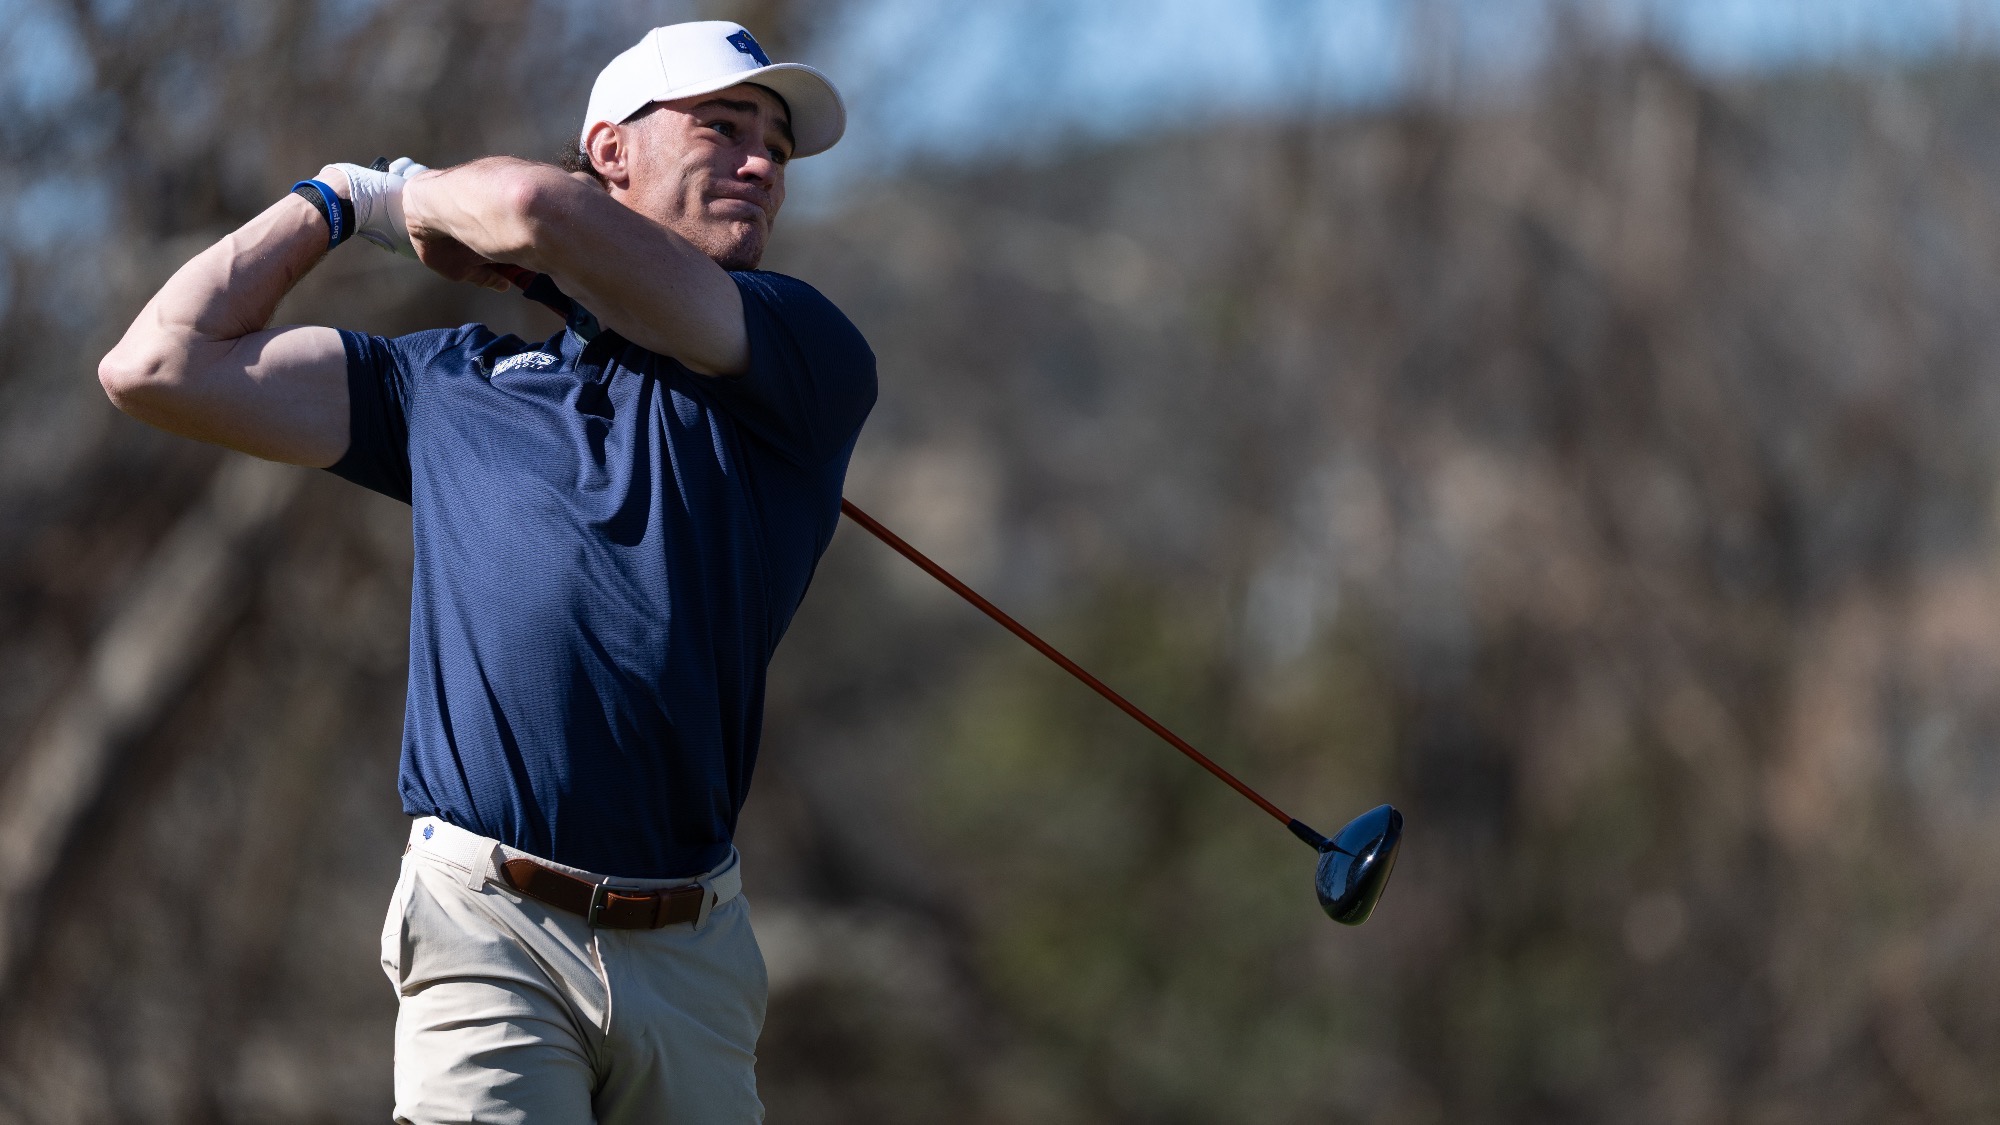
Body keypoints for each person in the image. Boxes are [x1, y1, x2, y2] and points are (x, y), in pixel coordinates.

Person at [95, 20, 873, 1124]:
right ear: (613, 150)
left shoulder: (801, 351)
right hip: (484, 927)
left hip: (693, 954)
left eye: (776, 150)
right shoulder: (448, 384)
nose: (759, 164)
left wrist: (420, 200)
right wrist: (334, 202)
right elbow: (156, 365)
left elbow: (532, 213)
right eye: (723, 127)